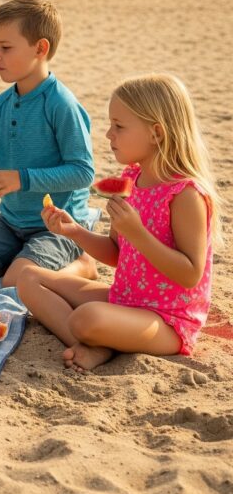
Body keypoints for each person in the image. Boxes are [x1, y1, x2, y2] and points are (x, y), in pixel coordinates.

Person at [18, 74, 220, 372]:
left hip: (166, 320)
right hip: (125, 298)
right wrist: (73, 230)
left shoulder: (185, 194)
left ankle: (101, 343)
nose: (108, 134)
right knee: (28, 279)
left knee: (86, 318)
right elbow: (116, 252)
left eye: (119, 126)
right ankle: (98, 345)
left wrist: (138, 234)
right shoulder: (130, 179)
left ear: (156, 133)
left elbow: (190, 274)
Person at [0, 0, 95, 287]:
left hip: (57, 226)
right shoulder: (2, 103)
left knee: (16, 283)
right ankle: (19, 259)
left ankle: (83, 264)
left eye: (5, 47)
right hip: (10, 222)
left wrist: (23, 179)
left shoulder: (61, 104)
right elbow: (4, 169)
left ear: (41, 48)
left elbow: (83, 172)